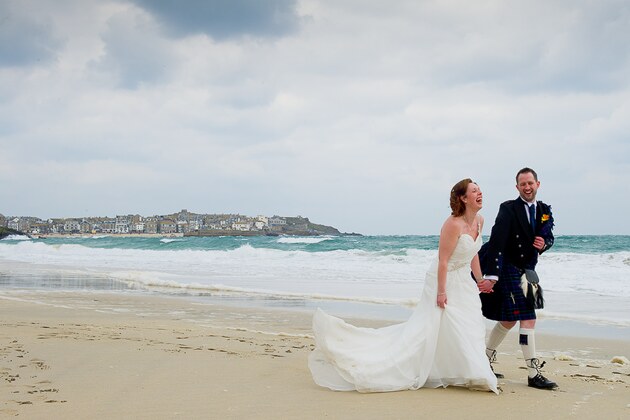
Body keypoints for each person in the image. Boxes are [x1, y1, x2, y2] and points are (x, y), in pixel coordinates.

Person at [309, 179, 498, 394]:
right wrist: (441, 292)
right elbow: (443, 260)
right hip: (442, 279)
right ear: (464, 198)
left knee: (469, 322)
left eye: (480, 190)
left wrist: (480, 279)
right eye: (474, 191)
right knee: (431, 325)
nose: (480, 193)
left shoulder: (480, 220)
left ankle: (470, 370)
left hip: (464, 280)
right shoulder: (452, 224)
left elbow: (472, 253)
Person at [476, 167, 557, 390]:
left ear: (537, 184)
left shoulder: (544, 210)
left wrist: (545, 244)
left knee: (520, 319)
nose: (527, 187)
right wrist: (492, 274)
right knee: (520, 318)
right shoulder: (508, 208)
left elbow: (549, 235)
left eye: (530, 183)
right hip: (509, 268)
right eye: (523, 184)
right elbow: (497, 242)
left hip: (529, 270)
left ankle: (491, 360)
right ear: (517, 187)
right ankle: (528, 372)